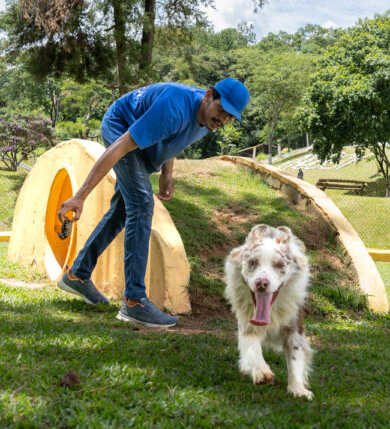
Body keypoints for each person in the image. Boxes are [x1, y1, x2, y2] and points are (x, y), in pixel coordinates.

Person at [56, 78, 250, 328]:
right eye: (222, 110)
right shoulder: (174, 107)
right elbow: (120, 146)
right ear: (209, 95)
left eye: (230, 117)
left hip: (142, 140)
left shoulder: (207, 119)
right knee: (141, 203)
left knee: (123, 211)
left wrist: (168, 174)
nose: (223, 119)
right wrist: (80, 195)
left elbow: (175, 137)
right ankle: (134, 301)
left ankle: (78, 274)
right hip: (120, 126)